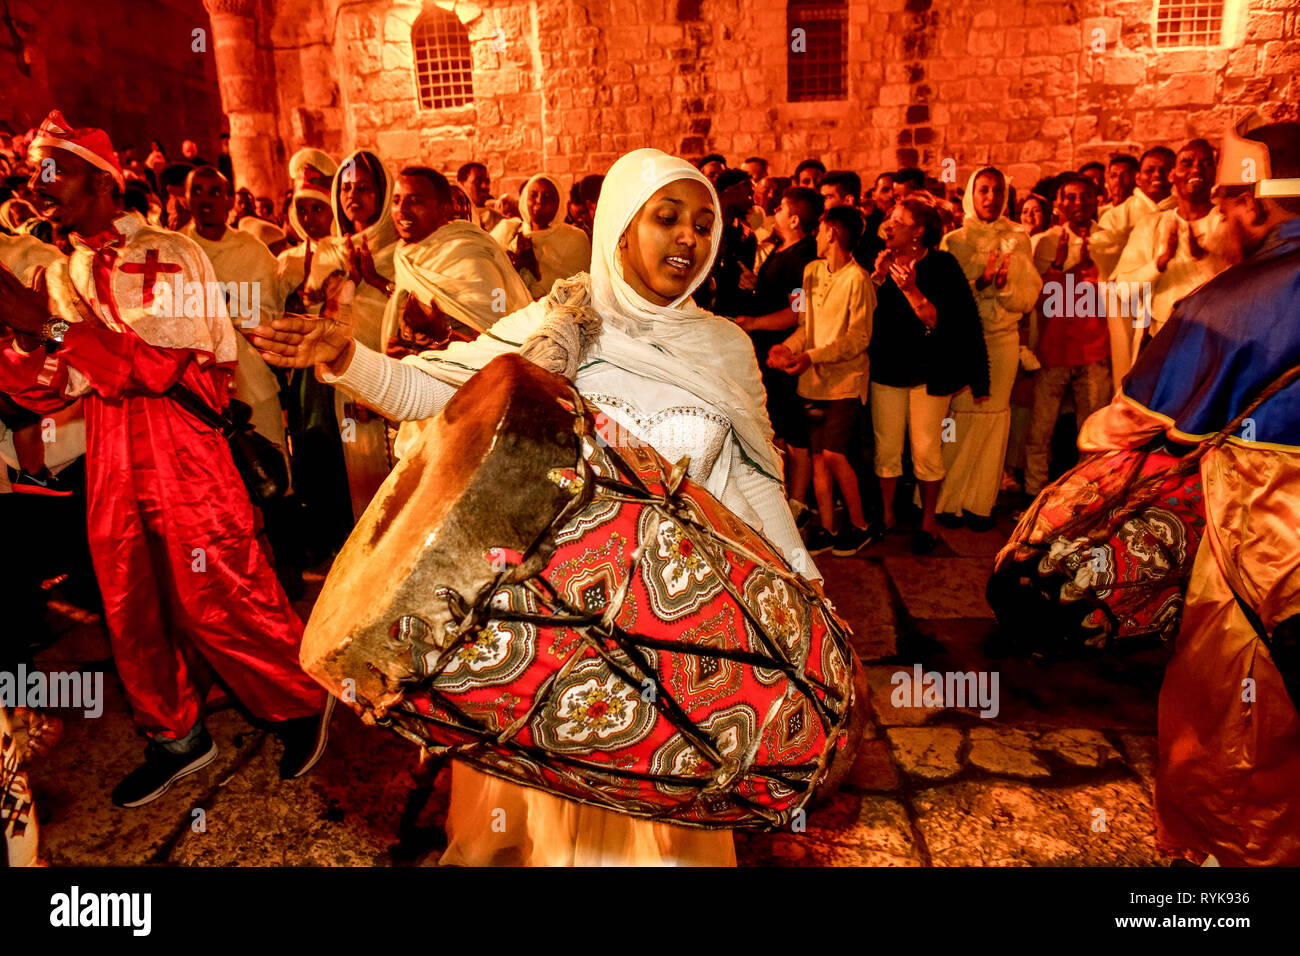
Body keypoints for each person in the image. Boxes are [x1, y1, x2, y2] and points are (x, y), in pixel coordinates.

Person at [252, 147, 813, 866]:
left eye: (705, 225)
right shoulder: (560, 321)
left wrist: (804, 584)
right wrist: (347, 357)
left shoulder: (724, 346)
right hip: (548, 638)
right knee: (545, 842)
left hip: (675, 634)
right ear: (619, 228)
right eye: (667, 218)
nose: (689, 239)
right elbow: (448, 393)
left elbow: (750, 476)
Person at [0, 111, 330, 808]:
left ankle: (298, 703)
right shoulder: (72, 268)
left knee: (219, 587)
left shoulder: (169, 254)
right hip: (112, 446)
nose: (40, 186)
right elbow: (68, 380)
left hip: (182, 446)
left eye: (54, 173)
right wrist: (19, 349)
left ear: (103, 182)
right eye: (34, 175)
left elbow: (152, 368)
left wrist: (49, 326)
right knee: (130, 593)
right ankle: (175, 733)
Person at [1075, 120, 1300, 865]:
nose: (1227, 220)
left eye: (1234, 204)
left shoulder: (1232, 304)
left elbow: (1114, 428)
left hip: (1263, 567)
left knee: (1233, 739)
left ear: (1258, 205)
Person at [868, 197, 988, 553]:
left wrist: (911, 290)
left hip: (928, 372)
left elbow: (943, 321)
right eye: (889, 220)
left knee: (926, 449)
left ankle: (928, 521)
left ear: (918, 232)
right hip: (887, 368)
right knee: (887, 447)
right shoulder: (883, 262)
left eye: (898, 221)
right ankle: (887, 516)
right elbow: (866, 317)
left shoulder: (942, 265)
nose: (889, 226)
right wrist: (876, 280)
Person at [935, 167, 1042, 530]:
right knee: (957, 416)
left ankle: (980, 502)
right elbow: (944, 295)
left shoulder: (1019, 237)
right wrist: (979, 282)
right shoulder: (954, 240)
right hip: (964, 338)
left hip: (1002, 338)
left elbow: (1028, 296)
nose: (991, 197)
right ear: (971, 193)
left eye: (997, 190)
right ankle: (946, 499)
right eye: (983, 189)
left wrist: (1006, 286)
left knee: (995, 416)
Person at [768, 205, 876, 555]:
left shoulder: (858, 279)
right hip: (812, 382)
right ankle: (828, 528)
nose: (815, 236)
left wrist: (811, 356)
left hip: (845, 381)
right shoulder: (812, 271)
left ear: (832, 232)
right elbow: (806, 327)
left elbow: (858, 339)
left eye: (820, 231)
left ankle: (860, 524)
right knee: (817, 459)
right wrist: (785, 348)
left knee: (833, 455)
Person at [304, 149, 399, 521]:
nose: (352, 196)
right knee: (358, 471)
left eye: (364, 187)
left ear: (382, 193)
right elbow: (313, 314)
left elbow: (411, 305)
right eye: (345, 188)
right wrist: (343, 285)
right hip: (343, 376)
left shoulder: (401, 248)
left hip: (392, 369)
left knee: (400, 469)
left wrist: (375, 280)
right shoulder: (327, 251)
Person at [733, 186, 824, 518]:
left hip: (784, 352)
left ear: (796, 219)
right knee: (777, 430)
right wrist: (755, 283)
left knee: (794, 430)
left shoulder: (803, 256)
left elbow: (797, 310)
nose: (775, 214)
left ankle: (798, 502)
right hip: (766, 353)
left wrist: (755, 323)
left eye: (782, 209)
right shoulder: (781, 248)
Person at [380, 166, 531, 362]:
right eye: (397, 201)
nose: (402, 210)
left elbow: (497, 342)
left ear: (443, 209)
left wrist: (442, 334)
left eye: (416, 200)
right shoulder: (405, 253)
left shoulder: (473, 256)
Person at [1023, 174, 1110, 497]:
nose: (1078, 204)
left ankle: (1085, 497)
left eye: (1085, 196)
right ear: (1059, 204)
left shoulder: (1109, 238)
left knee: (1092, 433)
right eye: (1070, 197)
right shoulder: (1044, 242)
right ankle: (1034, 494)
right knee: (1040, 430)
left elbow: (1123, 291)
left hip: (1095, 348)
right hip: (1054, 347)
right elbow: (1036, 296)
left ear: (1096, 199)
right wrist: (1061, 266)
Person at [1111, 138, 1227, 376]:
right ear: (1173, 175)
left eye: (1205, 163)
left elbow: (1249, 288)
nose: (1196, 169)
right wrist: (1160, 263)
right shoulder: (1151, 226)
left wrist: (1205, 260)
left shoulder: (1229, 222)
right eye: (1187, 163)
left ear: (1215, 173)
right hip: (1161, 340)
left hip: (1215, 343)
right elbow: (1122, 290)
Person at [490, 173, 592, 299]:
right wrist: (511, 265)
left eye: (547, 197)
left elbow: (578, 292)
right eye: (533, 196)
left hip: (551, 314)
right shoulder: (508, 229)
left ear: (558, 204)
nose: (539, 201)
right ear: (524, 198)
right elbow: (487, 272)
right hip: (506, 307)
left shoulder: (575, 238)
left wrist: (535, 269)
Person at [456, 161, 502, 233]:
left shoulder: (498, 219)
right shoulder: (454, 218)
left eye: (487, 182)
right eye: (477, 181)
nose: (484, 186)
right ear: (461, 184)